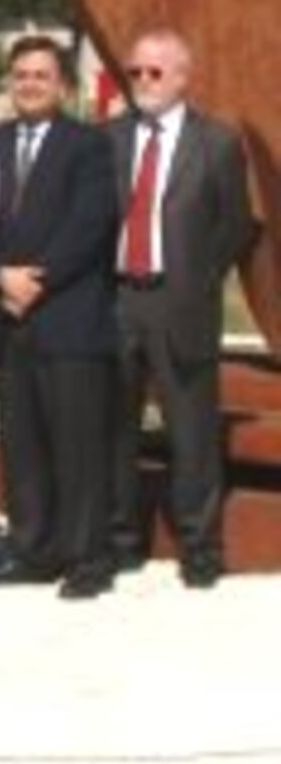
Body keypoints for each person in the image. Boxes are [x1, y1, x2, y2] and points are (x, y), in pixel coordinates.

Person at [107, 29, 253, 588]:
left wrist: (195, 279)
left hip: (181, 304)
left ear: (182, 77)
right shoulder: (111, 138)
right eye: (135, 71)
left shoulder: (215, 143)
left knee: (191, 433)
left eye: (154, 72)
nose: (142, 81)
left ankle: (199, 547)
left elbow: (236, 224)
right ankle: (121, 540)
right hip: (117, 301)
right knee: (112, 430)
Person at [0, 34, 121, 598]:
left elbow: (90, 225)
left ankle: (88, 558)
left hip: (69, 316)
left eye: (41, 75)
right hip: (7, 320)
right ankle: (34, 552)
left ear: (62, 84)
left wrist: (34, 281)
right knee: (23, 445)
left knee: (77, 445)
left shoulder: (88, 146)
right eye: (21, 75)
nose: (30, 84)